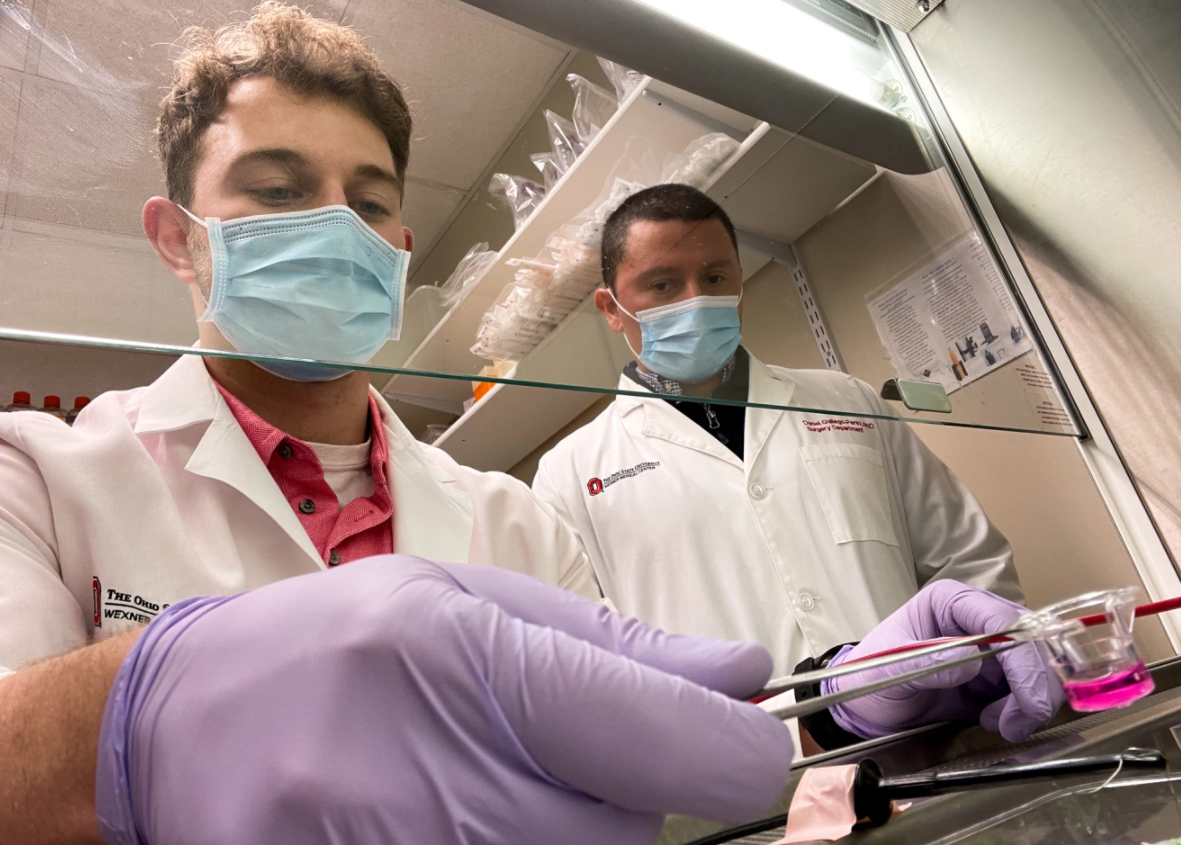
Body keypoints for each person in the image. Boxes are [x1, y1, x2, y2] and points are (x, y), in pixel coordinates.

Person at [0, 7, 1056, 842]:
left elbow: (640, 761)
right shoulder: (36, 477)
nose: (330, 225)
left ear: (396, 248)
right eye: (275, 190)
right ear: (177, 238)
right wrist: (171, 699)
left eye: (366, 202)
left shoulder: (513, 521)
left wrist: (839, 699)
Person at [532, 183, 1032, 748]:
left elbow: (966, 558)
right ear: (610, 309)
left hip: (932, 738)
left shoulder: (845, 400)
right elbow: (588, 669)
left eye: (715, 278)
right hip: (751, 774)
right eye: (664, 284)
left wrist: (987, 671)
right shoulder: (570, 472)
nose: (697, 300)